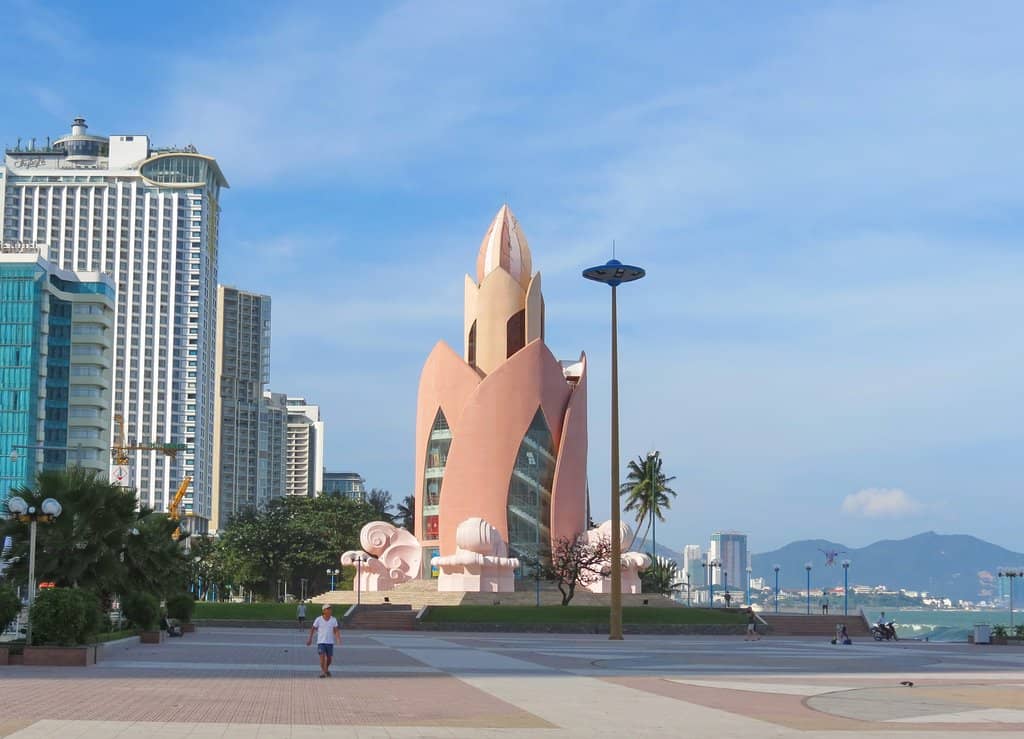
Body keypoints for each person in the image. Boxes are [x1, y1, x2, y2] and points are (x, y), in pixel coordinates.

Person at [306, 604, 341, 678]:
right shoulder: (318, 619)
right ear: (324, 611)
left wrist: (338, 638)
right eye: (328, 609)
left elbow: (336, 630)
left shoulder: (333, 619)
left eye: (330, 609)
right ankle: (323, 672)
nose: (330, 610)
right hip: (321, 642)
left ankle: (326, 669)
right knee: (322, 658)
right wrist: (310, 639)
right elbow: (313, 629)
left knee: (329, 659)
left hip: (330, 642)